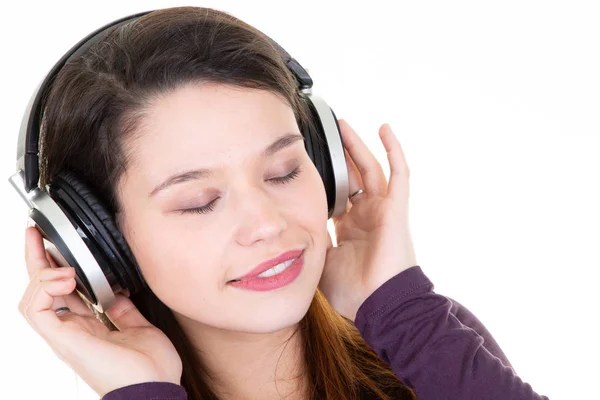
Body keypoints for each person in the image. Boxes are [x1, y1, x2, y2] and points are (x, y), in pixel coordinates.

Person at [14, 6, 548, 400]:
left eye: (285, 171)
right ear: (97, 243)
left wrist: (405, 313)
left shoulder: (426, 347)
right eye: (200, 202)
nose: (267, 224)